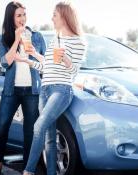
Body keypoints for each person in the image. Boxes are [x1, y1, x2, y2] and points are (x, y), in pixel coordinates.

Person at [15, 2, 86, 175]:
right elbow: (47, 67)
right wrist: (29, 59)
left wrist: (66, 60)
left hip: (61, 90)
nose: (51, 18)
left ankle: (28, 171)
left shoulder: (78, 42)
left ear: (64, 16)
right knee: (49, 138)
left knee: (39, 126)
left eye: (54, 15)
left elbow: (74, 71)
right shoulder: (55, 40)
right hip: (45, 89)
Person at [0, 1, 46, 175]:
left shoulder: (37, 36)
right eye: (18, 15)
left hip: (31, 91)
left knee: (30, 131)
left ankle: (28, 169)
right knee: (2, 125)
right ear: (11, 18)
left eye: (24, 14)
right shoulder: (4, 38)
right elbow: (5, 62)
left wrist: (33, 52)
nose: (22, 18)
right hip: (11, 90)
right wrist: (17, 38)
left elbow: (45, 62)